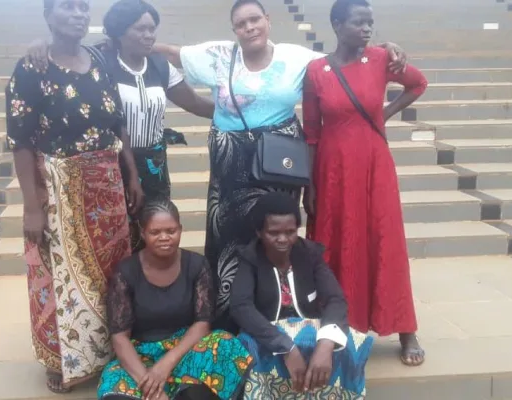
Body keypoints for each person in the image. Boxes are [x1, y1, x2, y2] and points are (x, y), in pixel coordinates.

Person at [151, 0, 407, 332]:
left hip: (279, 164)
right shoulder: (217, 55)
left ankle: (280, 309)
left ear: (268, 21)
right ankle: (228, 318)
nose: (249, 27)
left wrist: (384, 49)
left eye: (255, 19)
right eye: (241, 23)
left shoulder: (297, 57)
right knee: (228, 239)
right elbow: (171, 52)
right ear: (234, 30)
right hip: (231, 165)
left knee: (276, 236)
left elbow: (344, 58)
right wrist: (125, 41)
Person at [6, 0, 145, 393]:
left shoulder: (100, 59)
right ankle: (61, 358)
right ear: (48, 15)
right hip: (59, 186)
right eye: (67, 6)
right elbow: (19, 141)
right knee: (57, 273)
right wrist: (33, 206)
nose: (79, 14)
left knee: (111, 272)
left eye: (84, 7)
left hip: (107, 184)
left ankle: (105, 349)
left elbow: (118, 124)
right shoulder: (32, 67)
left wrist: (131, 174)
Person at [26, 0, 215, 253]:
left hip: (154, 165)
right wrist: (40, 45)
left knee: (154, 232)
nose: (149, 35)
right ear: (119, 31)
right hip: (110, 165)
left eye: (152, 28)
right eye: (141, 29)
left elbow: (195, 103)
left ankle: (152, 289)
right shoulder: (98, 62)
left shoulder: (159, 65)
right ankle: (121, 290)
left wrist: (238, 111)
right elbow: (65, 55)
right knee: (115, 236)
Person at [302, 0, 428, 366]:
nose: (367, 29)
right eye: (359, 22)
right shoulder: (316, 70)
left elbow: (418, 83)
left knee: (384, 239)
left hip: (374, 164)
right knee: (334, 241)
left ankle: (405, 329)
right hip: (332, 168)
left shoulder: (381, 59)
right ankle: (338, 323)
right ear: (338, 25)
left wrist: (383, 113)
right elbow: (311, 132)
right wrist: (309, 183)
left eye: (370, 22)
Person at [99, 200, 252, 400]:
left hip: (184, 351)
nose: (164, 238)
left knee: (224, 343)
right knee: (114, 390)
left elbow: (202, 324)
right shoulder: (126, 271)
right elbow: (120, 337)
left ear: (181, 230)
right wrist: (149, 384)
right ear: (143, 233)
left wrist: (165, 366)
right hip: (141, 355)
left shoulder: (197, 265)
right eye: (155, 232)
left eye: (171, 231)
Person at [231, 192, 373, 399]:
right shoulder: (250, 258)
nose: (283, 239)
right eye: (274, 232)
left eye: (290, 232)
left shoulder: (310, 255)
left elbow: (335, 299)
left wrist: (326, 343)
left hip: (309, 328)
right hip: (266, 332)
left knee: (344, 346)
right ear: (259, 232)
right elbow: (241, 307)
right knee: (249, 351)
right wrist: (285, 346)